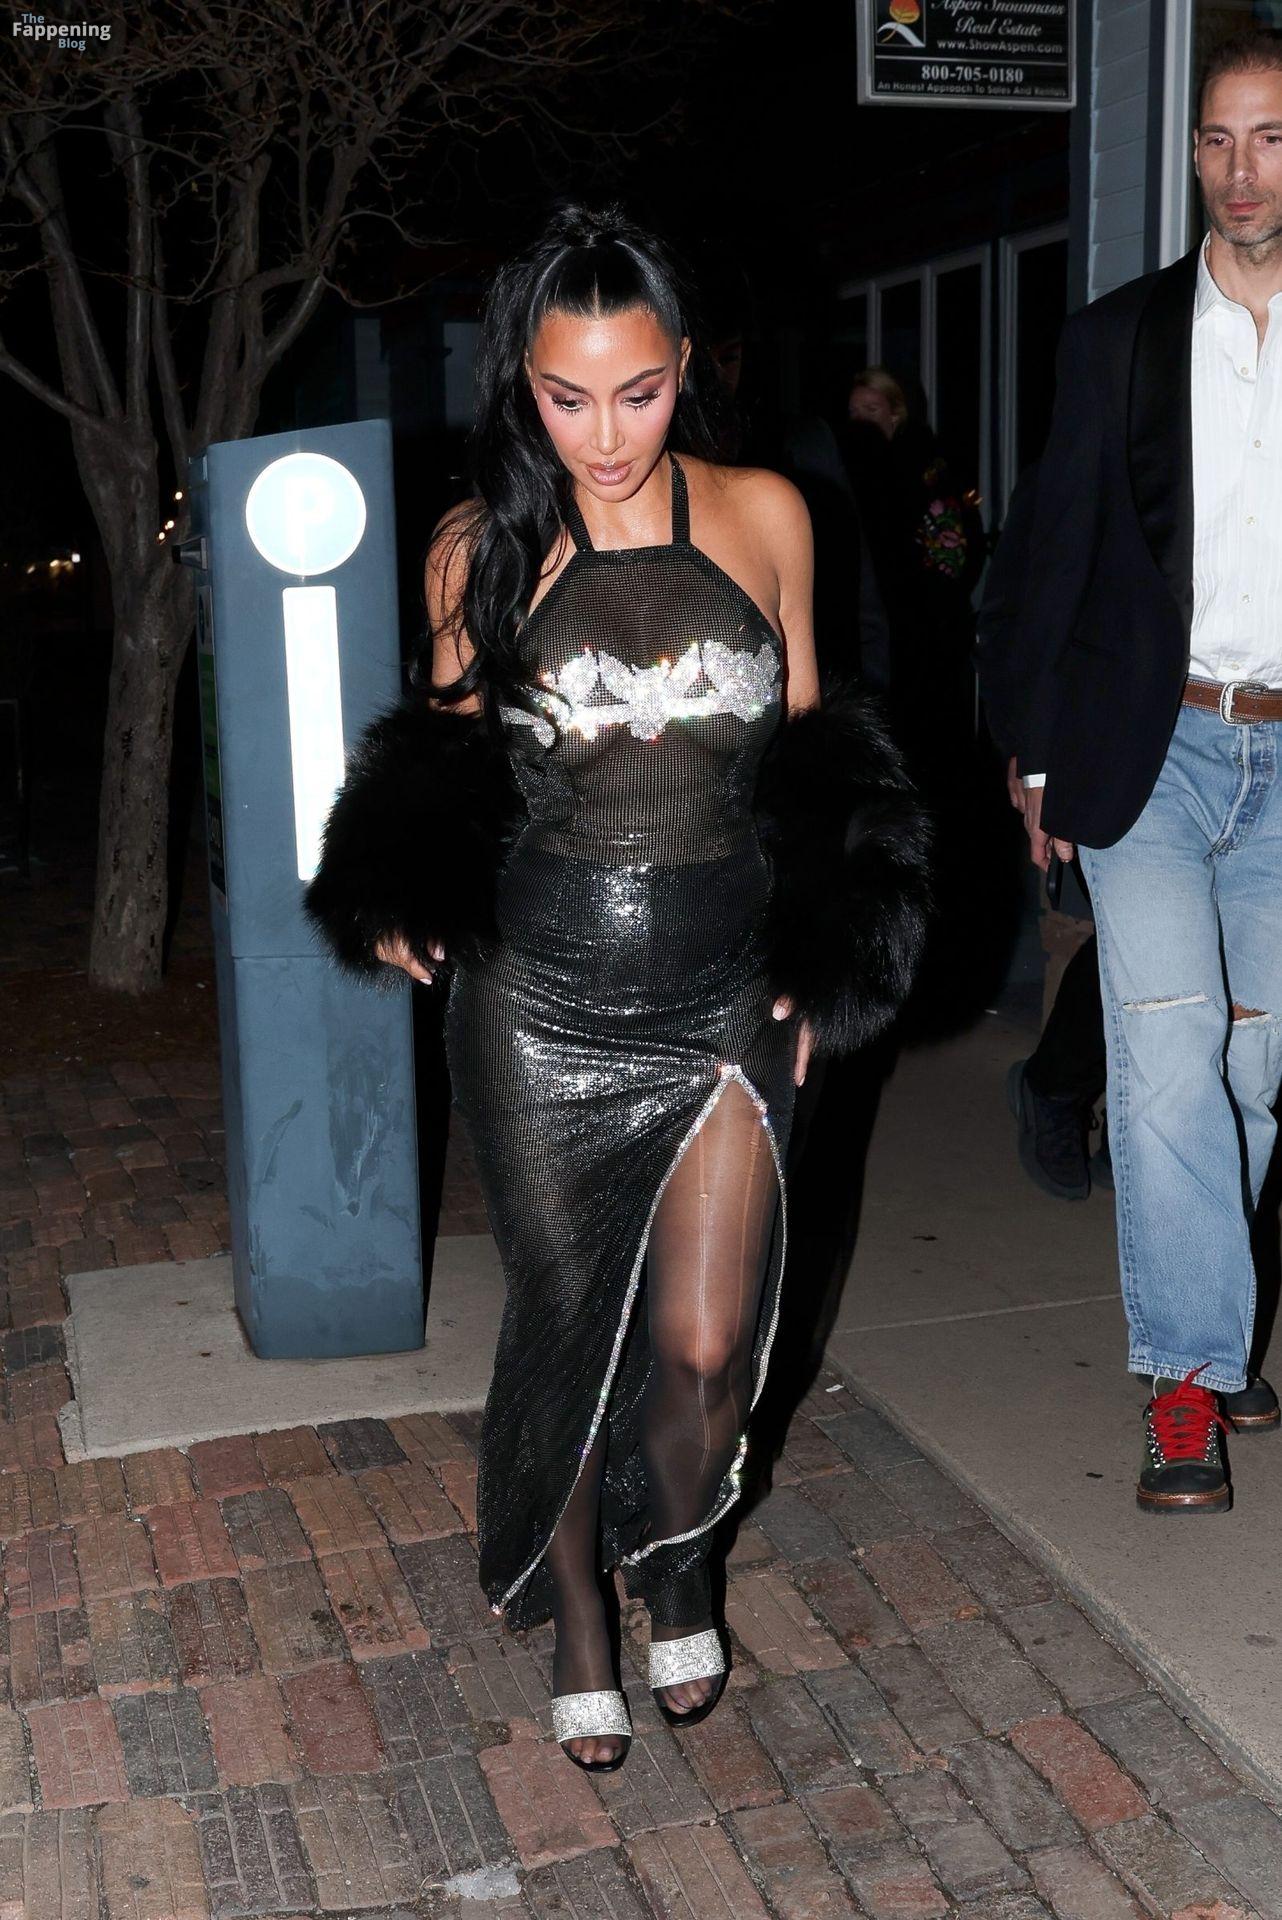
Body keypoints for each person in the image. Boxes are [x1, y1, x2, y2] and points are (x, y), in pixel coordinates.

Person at [304, 205, 931, 1767]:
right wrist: (393, 880)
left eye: (636, 392)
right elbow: (444, 756)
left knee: (709, 1344)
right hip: (536, 997)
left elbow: (819, 757)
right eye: (565, 395)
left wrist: (836, 941)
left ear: (685, 369)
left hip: (722, 985)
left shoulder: (765, 514)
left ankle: (680, 1547)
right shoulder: (478, 547)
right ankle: (582, 1602)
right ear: (522, 384)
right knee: (573, 1320)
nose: (600, 434)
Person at [980, 31, 1282, 1518]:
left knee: (1253, 1070)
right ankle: (1184, 1378)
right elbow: (1052, 550)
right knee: (1166, 1054)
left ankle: (1213, 1304)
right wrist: (1031, 744)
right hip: (1151, 745)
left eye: (1270, 137)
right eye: (1216, 140)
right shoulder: (1118, 340)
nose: (1240, 170)